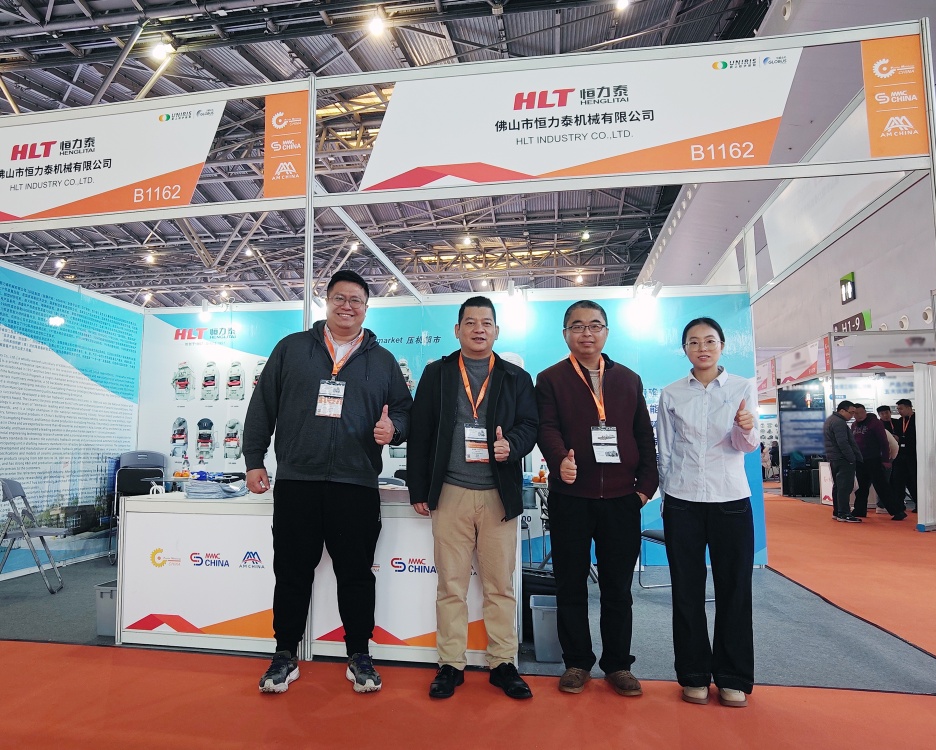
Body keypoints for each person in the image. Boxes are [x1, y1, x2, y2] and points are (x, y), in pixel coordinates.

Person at [244, 269, 413, 695]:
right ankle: (284, 654)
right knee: (291, 571)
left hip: (355, 483)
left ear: (366, 308)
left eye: (356, 300)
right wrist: (253, 459)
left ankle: (359, 654)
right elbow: (262, 405)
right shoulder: (292, 348)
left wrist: (394, 429)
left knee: (356, 573)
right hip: (298, 480)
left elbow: (406, 411)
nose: (347, 306)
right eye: (340, 298)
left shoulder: (382, 361)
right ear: (327, 301)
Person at [407, 296, 538, 700]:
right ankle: (451, 663)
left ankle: (503, 662)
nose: (478, 329)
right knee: (451, 585)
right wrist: (418, 488)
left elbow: (530, 425)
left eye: (486, 322)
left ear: (496, 331)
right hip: (451, 493)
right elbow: (420, 432)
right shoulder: (437, 373)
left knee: (500, 586)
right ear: (457, 330)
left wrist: (511, 446)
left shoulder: (516, 377)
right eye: (470, 322)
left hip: (498, 496)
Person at [535, 300, 657, 698]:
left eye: (594, 325)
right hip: (571, 497)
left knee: (617, 589)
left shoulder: (628, 379)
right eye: (577, 326)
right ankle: (577, 662)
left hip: (622, 498)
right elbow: (547, 427)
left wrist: (645, 487)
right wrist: (559, 461)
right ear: (565, 333)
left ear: (606, 332)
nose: (586, 333)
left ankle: (618, 664)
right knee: (570, 584)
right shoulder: (550, 379)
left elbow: (644, 435)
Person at [657, 317, 758, 708]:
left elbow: (746, 446)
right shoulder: (671, 393)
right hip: (682, 501)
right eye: (694, 342)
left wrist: (746, 427)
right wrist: (666, 496)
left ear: (722, 345)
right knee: (686, 590)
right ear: (684, 349)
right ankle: (694, 675)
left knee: (735, 589)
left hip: (730, 499)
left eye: (710, 340)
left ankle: (733, 677)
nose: (703, 348)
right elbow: (665, 450)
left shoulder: (742, 387)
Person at [851, 404, 907, 521]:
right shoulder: (854, 425)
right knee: (861, 488)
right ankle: (859, 509)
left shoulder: (875, 423)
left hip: (874, 459)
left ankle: (897, 511)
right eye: (855, 413)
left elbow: (884, 442)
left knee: (882, 487)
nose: (858, 415)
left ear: (865, 412)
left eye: (861, 412)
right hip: (860, 460)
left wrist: (886, 460)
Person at [824, 400, 864, 523]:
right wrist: (851, 458)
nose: (852, 415)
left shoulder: (830, 420)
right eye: (851, 412)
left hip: (835, 458)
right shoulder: (839, 422)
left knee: (838, 486)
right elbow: (843, 442)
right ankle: (844, 513)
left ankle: (838, 512)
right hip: (843, 459)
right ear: (842, 410)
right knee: (844, 487)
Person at [890, 398, 919, 512]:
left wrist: (902, 439)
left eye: (901, 408)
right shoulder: (899, 421)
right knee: (898, 481)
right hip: (900, 455)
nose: (899, 411)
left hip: (913, 455)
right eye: (898, 409)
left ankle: (919, 504)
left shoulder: (917, 420)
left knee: (914, 481)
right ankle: (899, 507)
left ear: (909, 408)